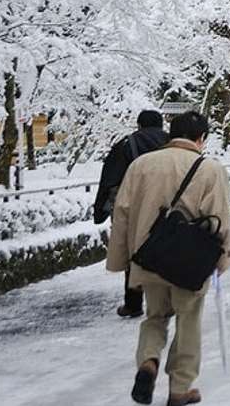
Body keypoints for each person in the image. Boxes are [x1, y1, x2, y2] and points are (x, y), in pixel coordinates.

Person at [106, 111, 230, 406]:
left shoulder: (140, 166)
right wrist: (222, 259)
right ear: (201, 138)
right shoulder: (210, 169)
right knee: (188, 320)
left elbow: (121, 214)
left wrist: (122, 260)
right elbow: (220, 218)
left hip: (150, 256)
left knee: (155, 316)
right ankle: (180, 388)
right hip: (189, 262)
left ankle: (148, 362)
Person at [94, 109, 170, 318]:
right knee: (167, 249)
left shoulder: (126, 145)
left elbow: (109, 179)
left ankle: (133, 303)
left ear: (139, 125)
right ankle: (166, 301)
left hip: (134, 207)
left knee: (133, 253)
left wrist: (100, 209)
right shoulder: (173, 144)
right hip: (167, 206)